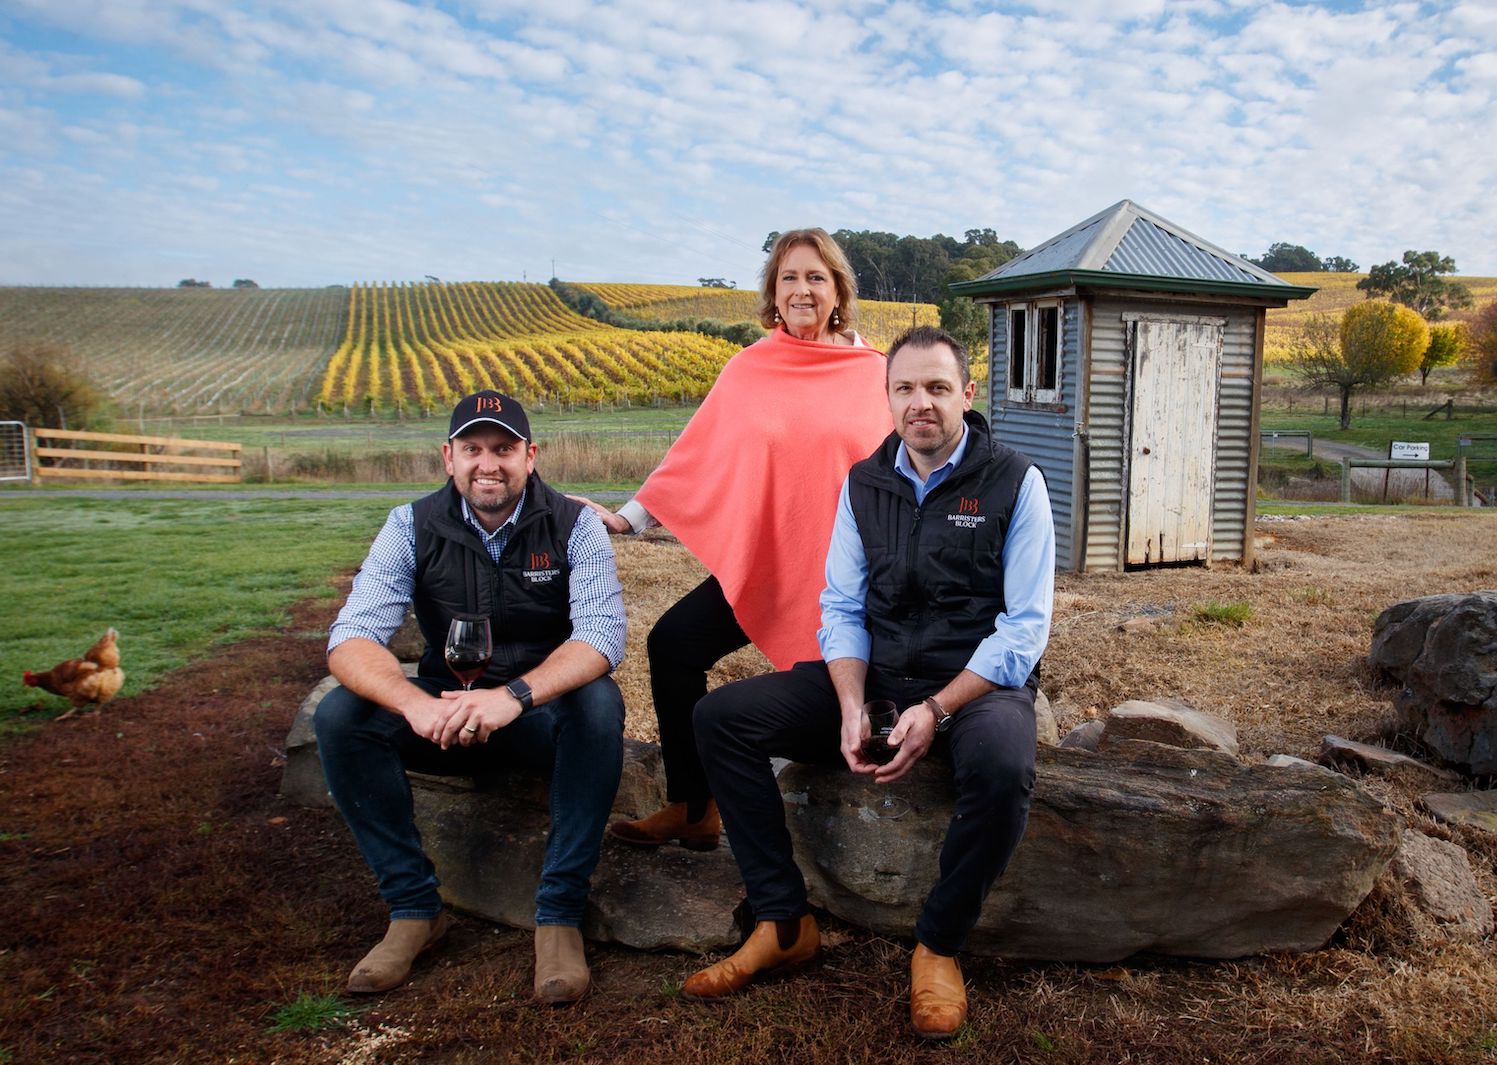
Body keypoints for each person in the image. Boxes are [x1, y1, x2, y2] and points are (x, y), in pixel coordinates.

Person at [683, 325, 1055, 1040]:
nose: (922, 403)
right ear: (886, 397)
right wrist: (851, 704)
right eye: (906, 388)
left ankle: (938, 943)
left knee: (1005, 766)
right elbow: (842, 608)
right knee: (721, 718)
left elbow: (1023, 628)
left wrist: (937, 709)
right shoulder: (864, 482)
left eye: (937, 388)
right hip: (877, 676)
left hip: (973, 684)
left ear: (966, 395)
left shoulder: (1016, 481)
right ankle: (782, 921)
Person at [572, 228, 891, 851]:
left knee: (830, 694)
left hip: (854, 576)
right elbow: (697, 455)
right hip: (770, 561)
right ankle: (693, 807)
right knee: (673, 645)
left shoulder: (874, 374)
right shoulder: (751, 368)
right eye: (790, 277)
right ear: (774, 291)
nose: (802, 289)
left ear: (838, 292)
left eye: (816, 277)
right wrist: (628, 519)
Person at [313, 390, 626, 1004]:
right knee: (339, 715)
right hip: (441, 709)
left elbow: (599, 637)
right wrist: (415, 705)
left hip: (532, 713)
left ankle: (558, 916)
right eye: (473, 449)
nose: (489, 463)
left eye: (504, 449)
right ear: (448, 458)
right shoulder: (410, 523)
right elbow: (351, 637)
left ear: (530, 456)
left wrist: (512, 697)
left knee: (598, 705)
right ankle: (413, 911)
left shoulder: (575, 523)